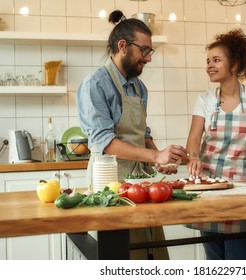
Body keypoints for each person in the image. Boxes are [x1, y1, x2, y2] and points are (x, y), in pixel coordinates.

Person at [76, 10, 187, 260]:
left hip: (141, 183)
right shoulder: (95, 84)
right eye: (144, 50)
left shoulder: (139, 87)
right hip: (110, 186)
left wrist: (159, 159)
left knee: (153, 254)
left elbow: (142, 135)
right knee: (122, 257)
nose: (148, 58)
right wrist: (155, 155)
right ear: (123, 46)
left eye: (150, 51)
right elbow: (103, 141)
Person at [185, 29, 246, 260]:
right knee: (213, 255)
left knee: (238, 255)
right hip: (209, 185)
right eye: (208, 61)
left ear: (233, 65)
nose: (209, 66)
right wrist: (193, 156)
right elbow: (194, 138)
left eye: (216, 60)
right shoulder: (204, 99)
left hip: (241, 185)